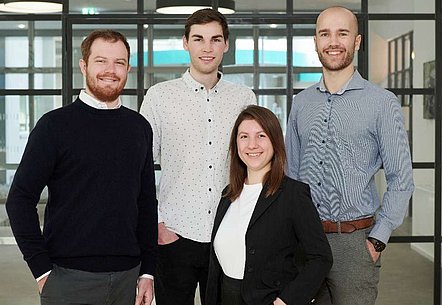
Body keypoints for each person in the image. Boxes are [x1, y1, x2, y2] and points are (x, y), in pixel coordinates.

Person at [6, 29, 158, 305]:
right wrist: (41, 269)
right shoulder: (54, 126)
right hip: (68, 278)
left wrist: (147, 270)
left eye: (119, 62)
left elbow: (146, 202)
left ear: (128, 68)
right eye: (101, 61)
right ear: (84, 65)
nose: (110, 70)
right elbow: (19, 199)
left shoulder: (139, 128)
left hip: (128, 277)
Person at [285, 6, 415, 305]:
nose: (333, 41)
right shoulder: (301, 103)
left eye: (342, 33)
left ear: (357, 42)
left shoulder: (382, 103)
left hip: (355, 242)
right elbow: (291, 174)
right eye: (325, 34)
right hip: (305, 240)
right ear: (315, 41)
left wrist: (377, 237)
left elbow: (401, 178)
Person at [139, 8, 256, 305]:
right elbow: (138, 167)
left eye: (215, 40)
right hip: (174, 234)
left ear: (226, 45)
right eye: (199, 39)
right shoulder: (159, 96)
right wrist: (157, 224)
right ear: (185, 43)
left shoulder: (244, 98)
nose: (207, 48)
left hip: (229, 234)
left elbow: (255, 166)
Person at [205, 105, 333, 305]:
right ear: (236, 144)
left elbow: (321, 258)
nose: (252, 145)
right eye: (244, 136)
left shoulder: (293, 195)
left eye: (261, 136)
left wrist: (286, 301)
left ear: (275, 141)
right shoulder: (228, 195)